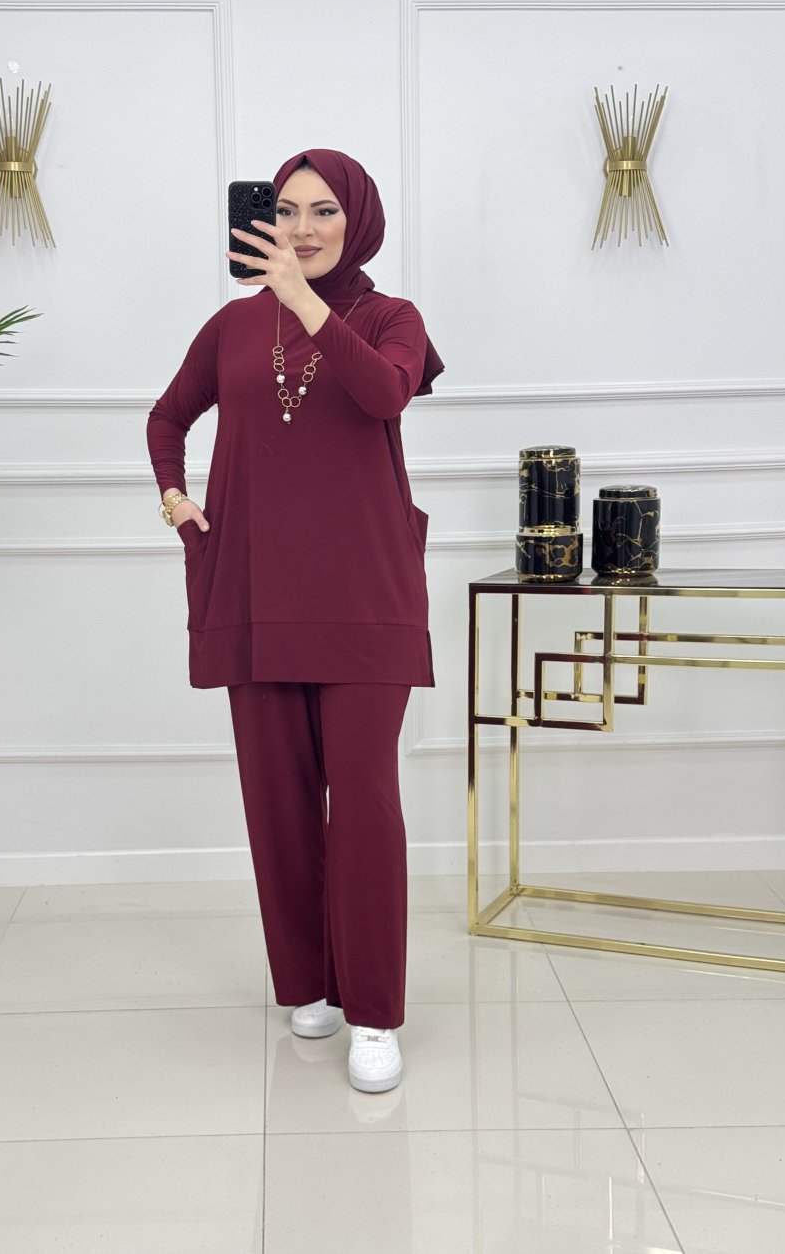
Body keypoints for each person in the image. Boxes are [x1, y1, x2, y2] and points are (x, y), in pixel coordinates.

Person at [147, 148, 443, 1093]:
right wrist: (176, 500)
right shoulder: (232, 326)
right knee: (277, 802)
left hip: (365, 596)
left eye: (323, 211)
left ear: (358, 221)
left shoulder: (392, 319)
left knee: (364, 803)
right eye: (285, 210)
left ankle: (376, 1012)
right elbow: (166, 417)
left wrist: (303, 300)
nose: (302, 228)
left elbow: (384, 392)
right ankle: (307, 982)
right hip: (257, 590)